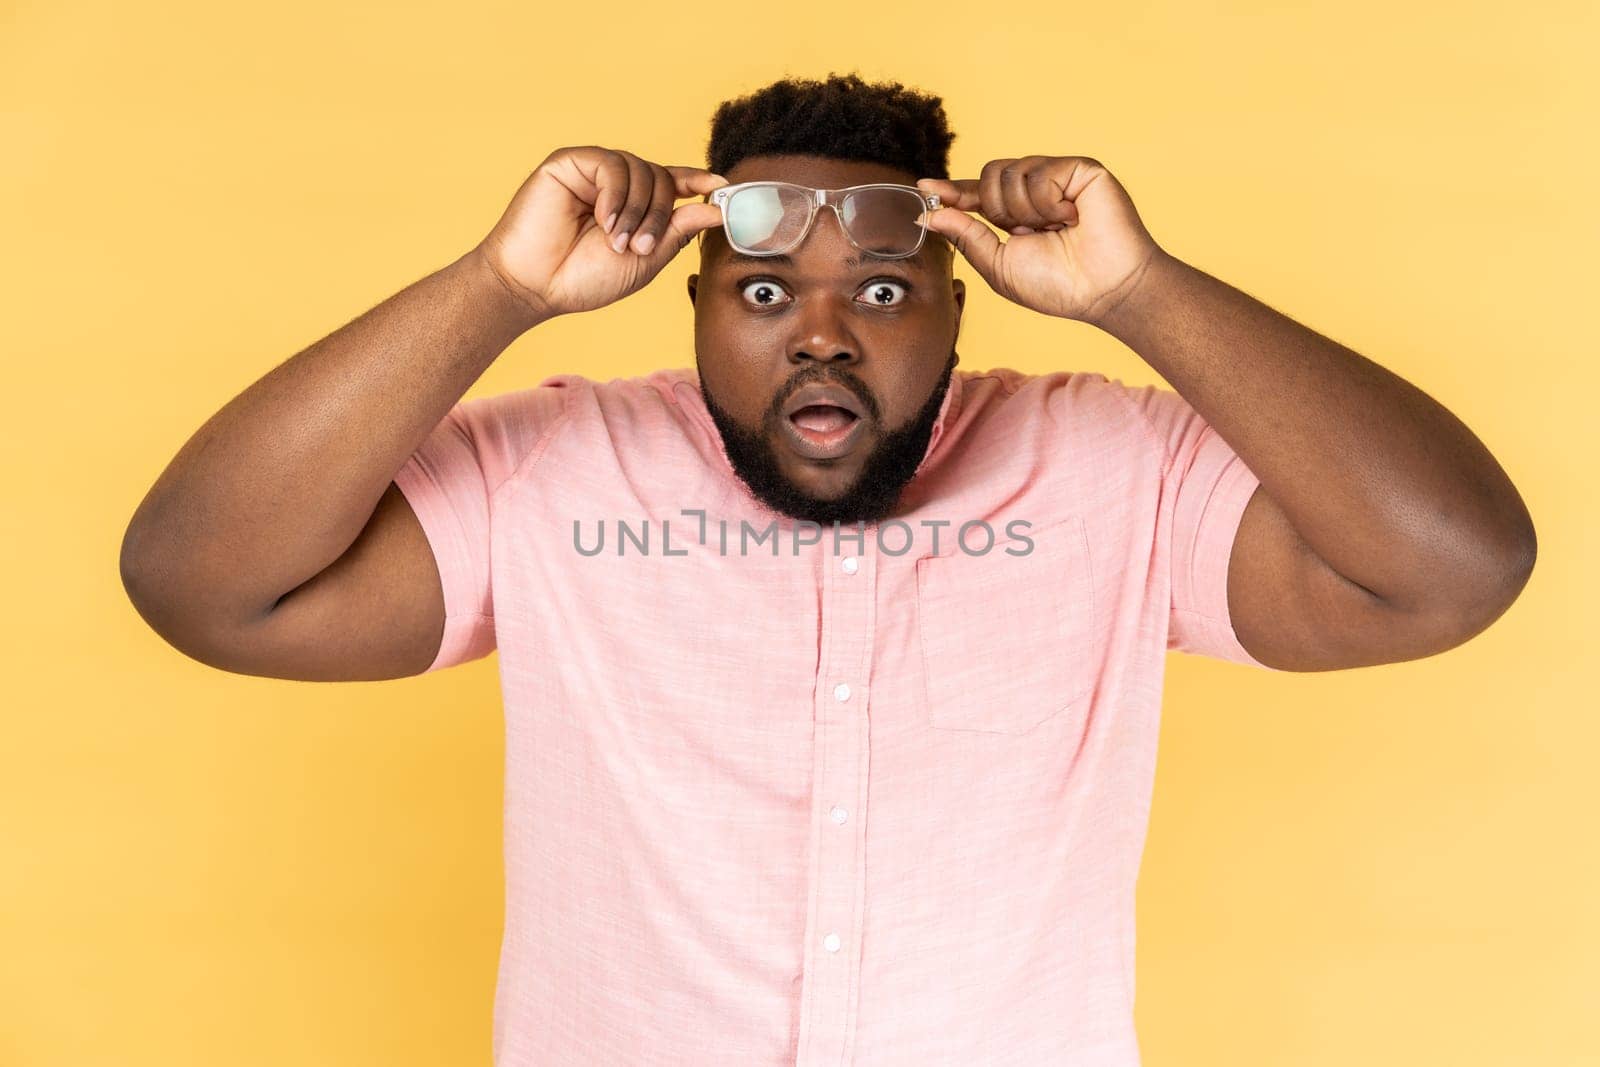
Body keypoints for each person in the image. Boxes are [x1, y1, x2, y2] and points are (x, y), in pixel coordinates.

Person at [120, 73, 1536, 1066]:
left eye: (877, 289)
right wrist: (498, 287)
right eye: (760, 293)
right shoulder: (552, 472)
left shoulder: (1121, 472)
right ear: (689, 304)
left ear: (956, 301)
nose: (820, 337)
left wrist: (1136, 291)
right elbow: (206, 583)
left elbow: (1451, 570)